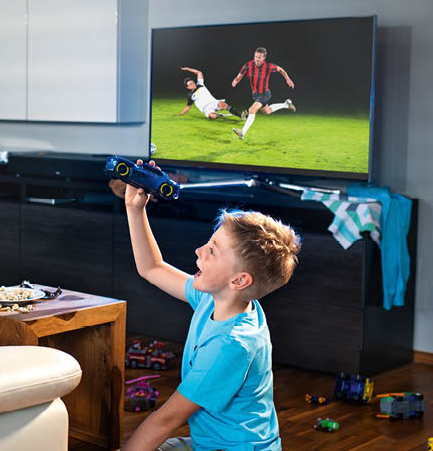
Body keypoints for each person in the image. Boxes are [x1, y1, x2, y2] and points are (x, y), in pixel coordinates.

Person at [120, 161, 301, 451]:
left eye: (212, 251)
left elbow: (166, 420)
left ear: (239, 280)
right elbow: (151, 268)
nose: (199, 250)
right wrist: (135, 208)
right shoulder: (218, 298)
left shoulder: (230, 345)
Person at [230, 47, 296, 140]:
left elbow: (281, 70)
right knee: (267, 111)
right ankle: (286, 104)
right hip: (255, 95)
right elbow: (239, 76)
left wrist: (288, 79)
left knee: (252, 110)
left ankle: (242, 132)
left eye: (259, 57)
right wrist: (236, 81)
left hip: (265, 94)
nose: (257, 59)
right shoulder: (248, 65)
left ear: (264, 58)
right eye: (255, 57)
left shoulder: (268, 66)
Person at [175, 66, 242, 120]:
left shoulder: (200, 84)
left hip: (214, 102)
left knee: (224, 105)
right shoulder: (190, 95)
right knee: (213, 116)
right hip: (206, 109)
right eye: (190, 84)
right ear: (188, 87)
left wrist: (188, 69)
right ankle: (219, 115)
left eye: (192, 82)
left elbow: (199, 73)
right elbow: (188, 106)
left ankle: (241, 116)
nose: (193, 84)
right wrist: (182, 113)